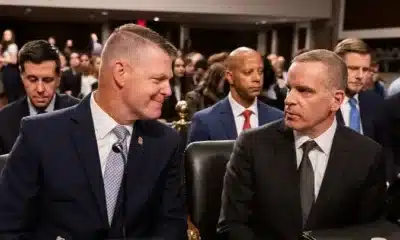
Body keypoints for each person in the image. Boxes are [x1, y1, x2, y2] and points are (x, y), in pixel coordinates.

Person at [0, 24, 187, 239]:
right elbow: (8, 228)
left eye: (169, 80)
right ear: (120, 73)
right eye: (158, 79)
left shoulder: (166, 142)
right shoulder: (39, 135)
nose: (168, 90)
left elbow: (171, 226)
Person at [218, 49, 386, 239]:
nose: (289, 100)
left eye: (304, 91)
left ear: (336, 100)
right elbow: (232, 226)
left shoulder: (367, 154)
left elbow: (370, 229)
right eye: (289, 89)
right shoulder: (252, 145)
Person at [188, 47, 283, 143]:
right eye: (248, 72)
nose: (257, 78)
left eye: (260, 72)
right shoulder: (205, 121)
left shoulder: (278, 119)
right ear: (230, 77)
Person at [0, 40, 79, 155]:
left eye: (47, 80)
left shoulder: (80, 113)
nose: (40, 89)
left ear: (59, 78)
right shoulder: (4, 120)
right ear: (22, 76)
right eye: (32, 80)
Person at [334, 38, 384, 142]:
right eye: (353, 68)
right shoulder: (322, 103)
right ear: (336, 67)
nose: (360, 76)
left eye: (365, 70)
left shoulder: (376, 103)